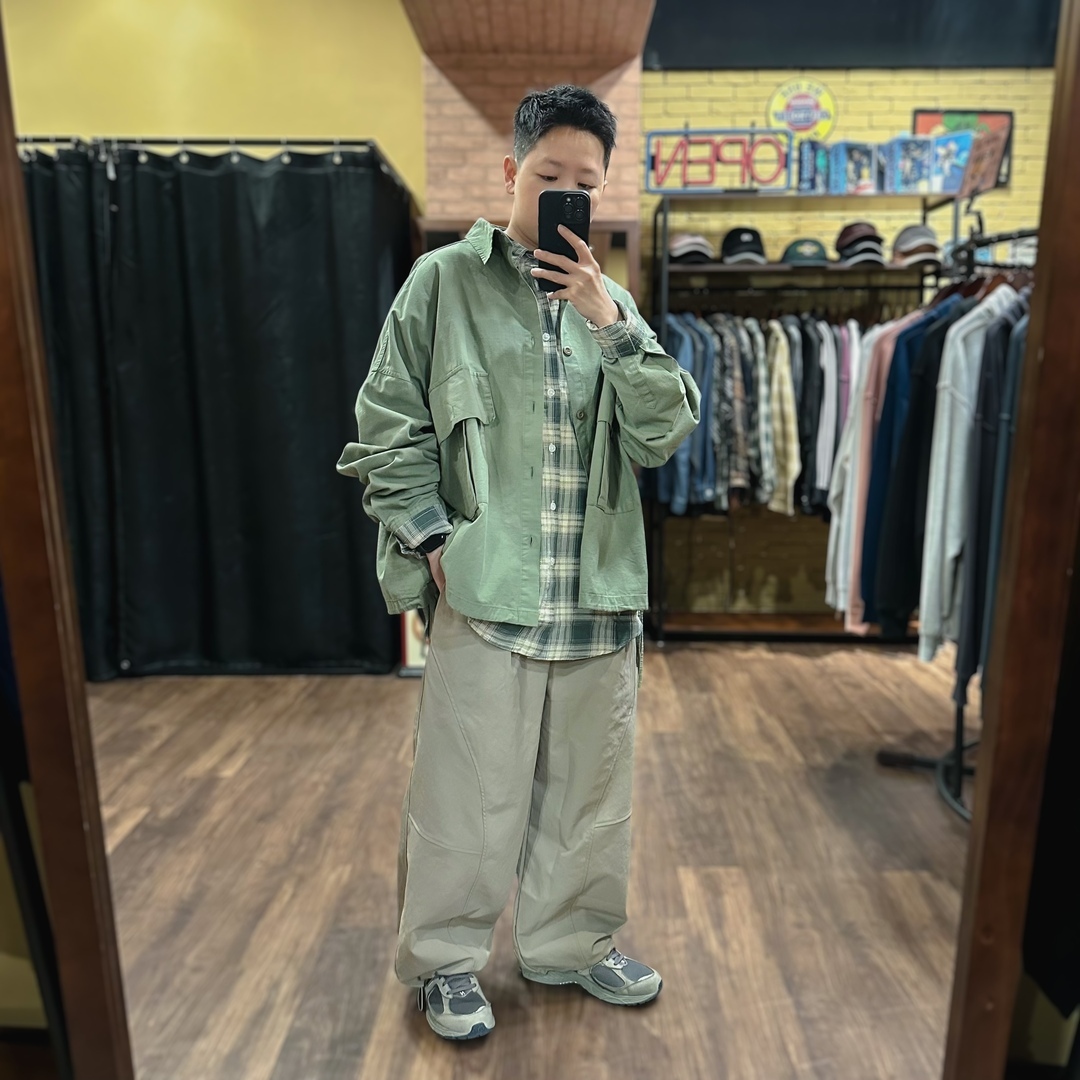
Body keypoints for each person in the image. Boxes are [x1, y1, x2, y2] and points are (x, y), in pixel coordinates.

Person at [337, 84, 700, 1041]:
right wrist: (431, 540)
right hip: (487, 590)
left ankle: (572, 944)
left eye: (586, 180)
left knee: (590, 799)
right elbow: (387, 426)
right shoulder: (442, 283)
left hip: (596, 597)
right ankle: (446, 963)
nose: (564, 192)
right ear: (512, 172)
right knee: (464, 796)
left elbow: (665, 431)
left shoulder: (613, 304)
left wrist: (607, 320)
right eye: (548, 174)